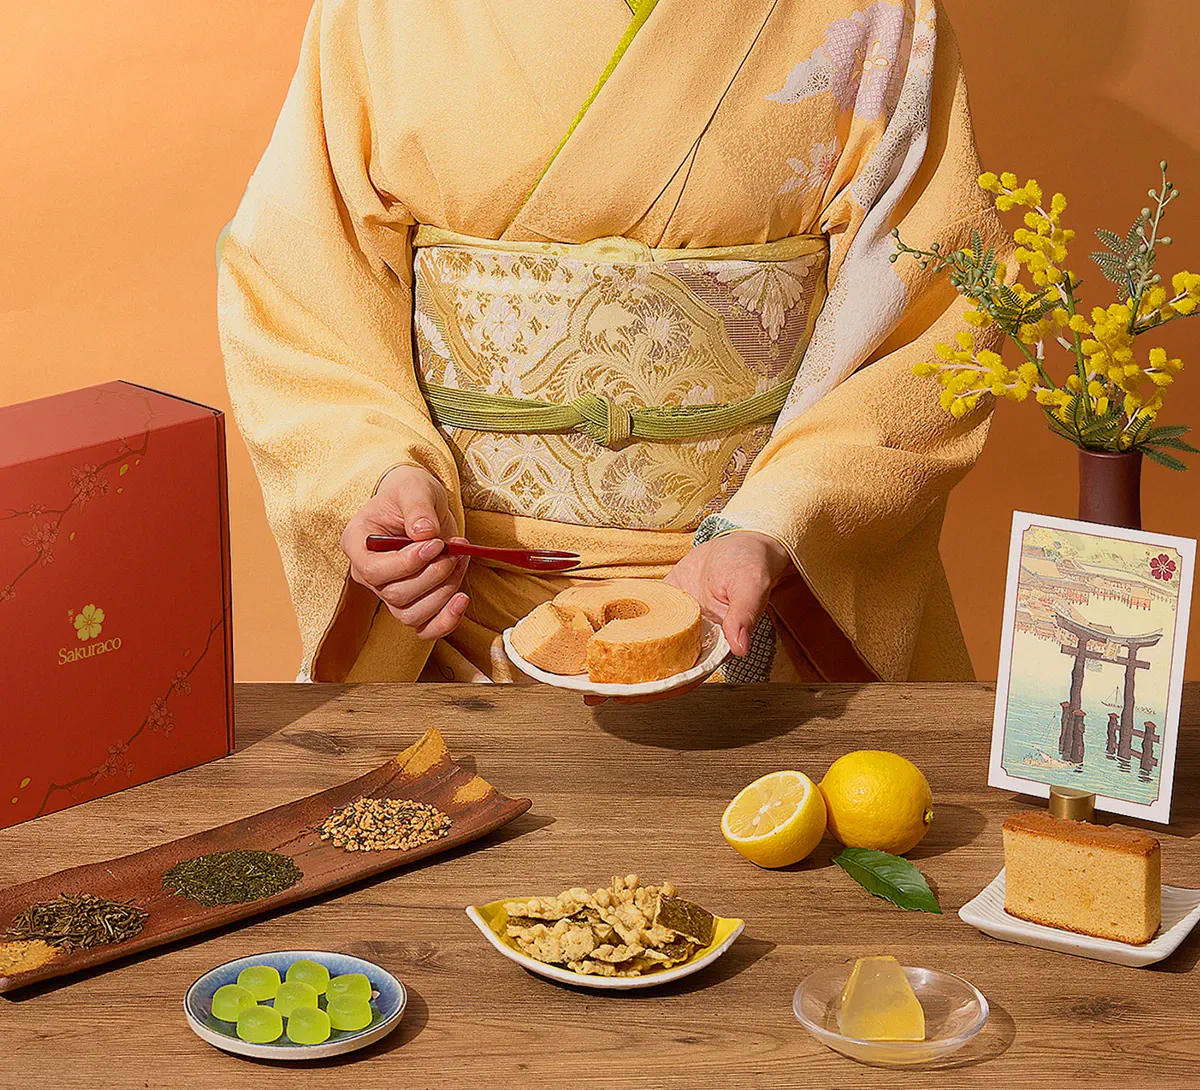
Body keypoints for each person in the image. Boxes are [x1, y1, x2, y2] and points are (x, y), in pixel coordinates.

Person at [218, 0, 1003, 687]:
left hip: (748, 595)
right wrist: (381, 476)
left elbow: (931, 311)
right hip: (462, 599)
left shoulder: (875, 11)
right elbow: (305, 290)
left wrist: (774, 524)